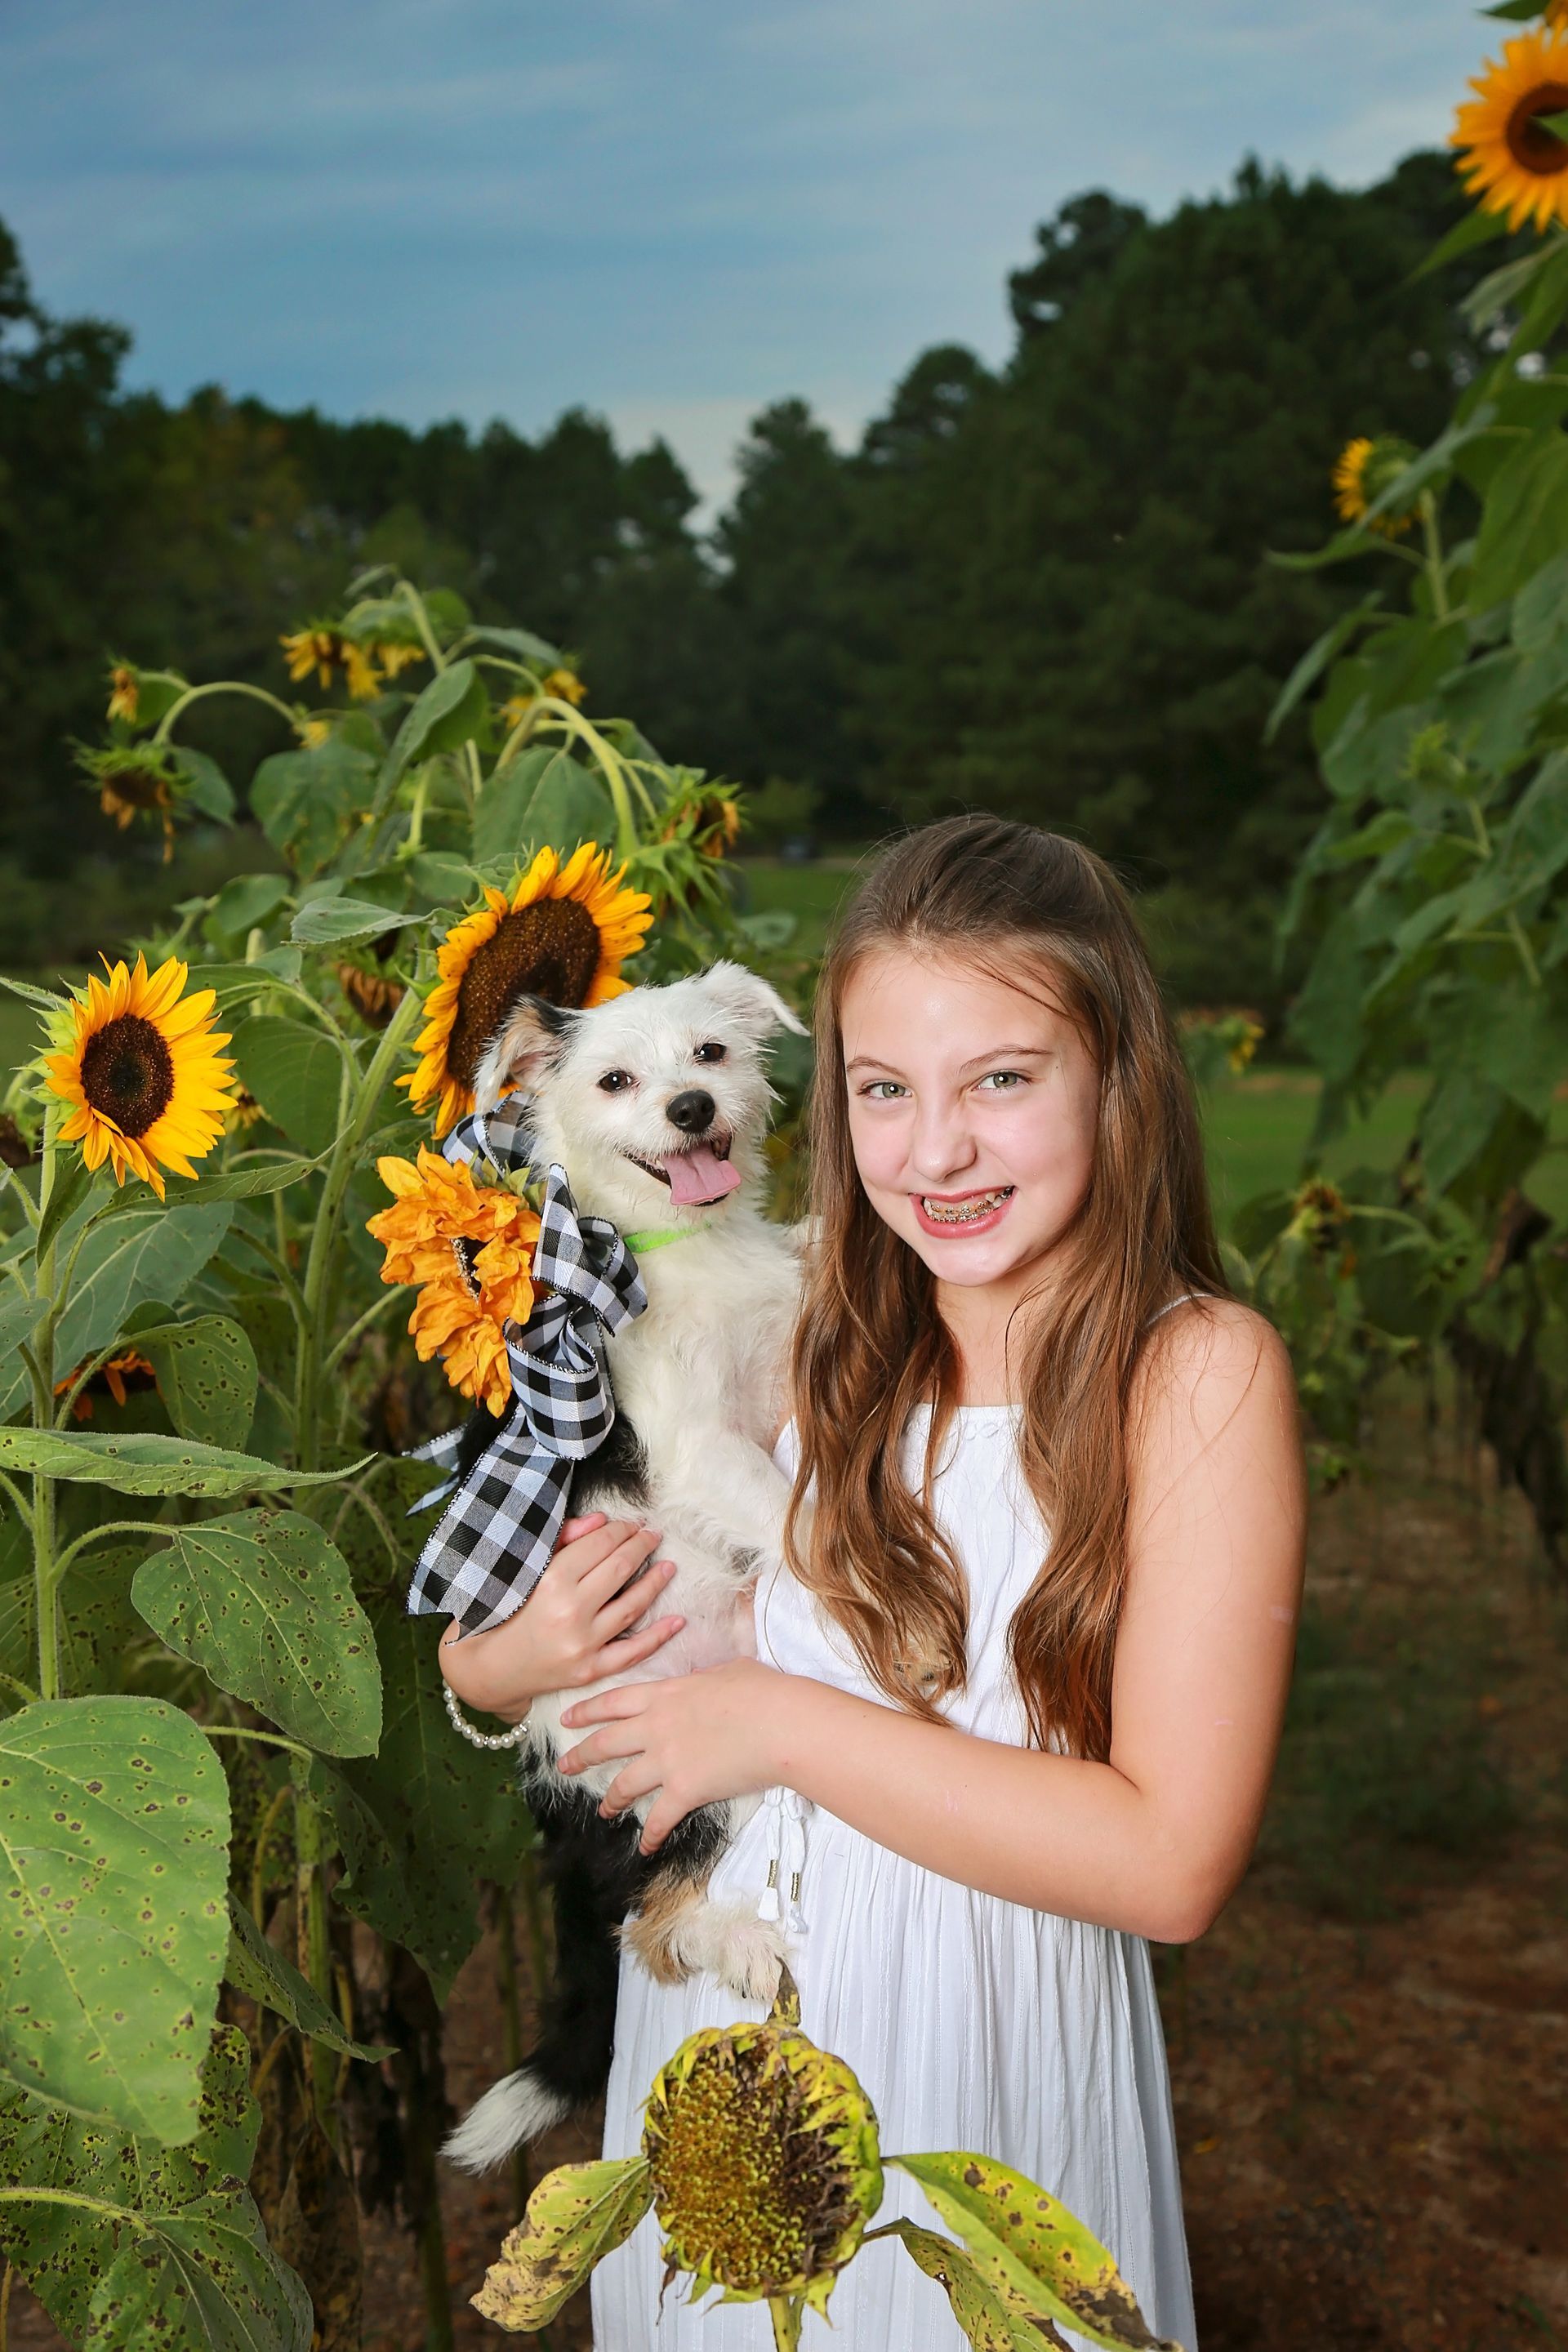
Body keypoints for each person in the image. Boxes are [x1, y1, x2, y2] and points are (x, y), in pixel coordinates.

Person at [439, 815, 1307, 2350]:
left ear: (1121, 1075)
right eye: (883, 1091)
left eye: (1003, 1080)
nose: (936, 1149)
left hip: (976, 2043)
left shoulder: (1192, 1377)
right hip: (714, 2028)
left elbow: (1174, 1864)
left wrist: (778, 1730)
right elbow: (569, 1586)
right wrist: (499, 1665)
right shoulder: (828, 1330)